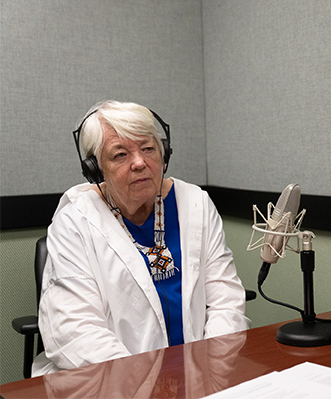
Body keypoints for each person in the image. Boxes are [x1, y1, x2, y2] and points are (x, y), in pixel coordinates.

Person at [32, 100, 250, 376]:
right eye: (120, 155)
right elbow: (75, 331)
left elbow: (226, 301)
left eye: (148, 149)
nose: (139, 162)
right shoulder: (75, 221)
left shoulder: (195, 203)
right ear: (95, 169)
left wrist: (212, 368)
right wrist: (143, 385)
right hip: (112, 382)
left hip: (200, 374)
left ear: (164, 153)